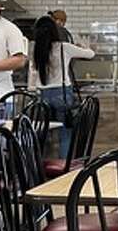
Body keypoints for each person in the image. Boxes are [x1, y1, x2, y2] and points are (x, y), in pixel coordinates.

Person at [29, 14, 94, 158]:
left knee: (43, 134)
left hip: (41, 96)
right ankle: (64, 167)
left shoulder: (35, 49)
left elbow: (33, 71)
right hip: (62, 94)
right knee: (66, 133)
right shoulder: (64, 47)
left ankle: (41, 168)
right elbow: (90, 54)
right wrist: (83, 46)